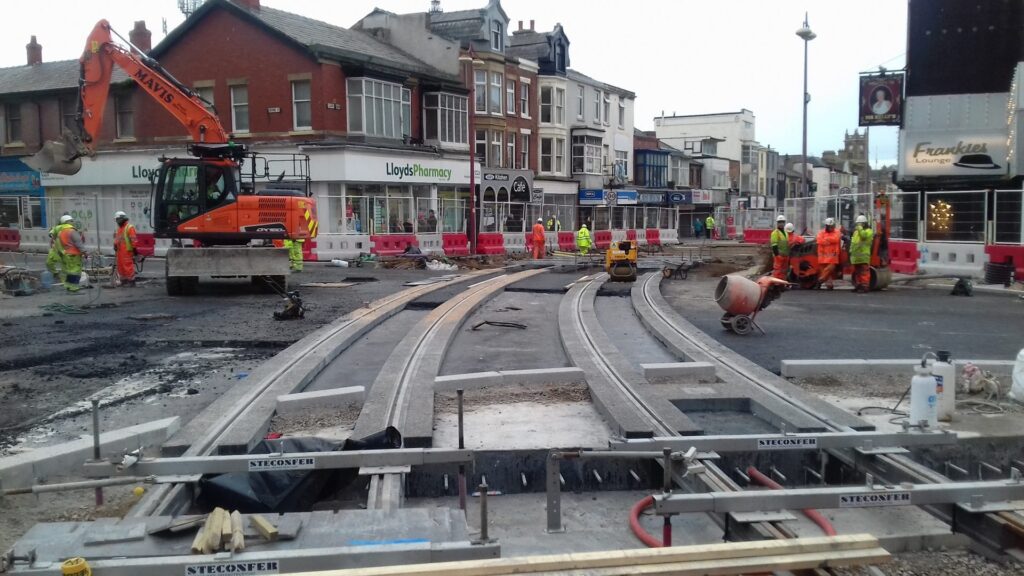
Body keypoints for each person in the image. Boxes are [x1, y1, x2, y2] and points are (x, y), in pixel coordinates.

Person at [57, 217, 87, 293]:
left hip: (66, 254)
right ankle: (74, 288)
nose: (73, 222)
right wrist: (84, 252)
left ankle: (68, 286)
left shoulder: (61, 232)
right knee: (76, 272)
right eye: (71, 221)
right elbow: (78, 243)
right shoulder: (72, 231)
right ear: (67, 222)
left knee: (69, 271)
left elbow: (58, 244)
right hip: (74, 255)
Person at [849, 214, 874, 293]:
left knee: (864, 272)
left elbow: (863, 236)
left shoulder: (869, 231)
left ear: (864, 223)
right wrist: (850, 251)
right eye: (858, 224)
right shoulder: (856, 232)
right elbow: (853, 242)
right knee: (857, 272)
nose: (858, 225)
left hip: (863, 256)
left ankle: (865, 286)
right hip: (855, 257)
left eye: (860, 224)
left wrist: (859, 228)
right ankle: (858, 285)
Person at [113, 211, 138, 286]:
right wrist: (115, 245)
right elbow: (118, 238)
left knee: (127, 266)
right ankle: (123, 280)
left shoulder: (129, 227)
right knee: (120, 266)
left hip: (127, 251)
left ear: (121, 219)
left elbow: (133, 239)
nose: (117, 222)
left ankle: (131, 281)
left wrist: (134, 249)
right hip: (120, 251)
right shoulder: (120, 228)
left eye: (117, 220)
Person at [816, 217, 842, 290]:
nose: (831, 228)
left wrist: (826, 240)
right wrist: (829, 240)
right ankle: (829, 285)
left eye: (832, 226)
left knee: (828, 270)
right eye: (829, 226)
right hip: (822, 256)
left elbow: (836, 239)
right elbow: (819, 240)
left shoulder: (837, 232)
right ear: (826, 226)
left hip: (833, 256)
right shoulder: (821, 232)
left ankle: (820, 280)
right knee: (826, 272)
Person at [46, 214, 73, 283]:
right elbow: (51, 233)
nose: (71, 222)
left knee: (66, 266)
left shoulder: (70, 229)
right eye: (69, 221)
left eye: (71, 221)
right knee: (49, 263)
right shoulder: (58, 228)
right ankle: (55, 273)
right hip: (55, 250)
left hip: (64, 250)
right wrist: (52, 235)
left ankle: (65, 281)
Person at [769, 215, 789, 280]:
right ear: (777, 223)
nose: (781, 224)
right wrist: (777, 255)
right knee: (778, 270)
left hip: (785, 255)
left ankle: (782, 283)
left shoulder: (786, 233)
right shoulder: (775, 233)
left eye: (782, 222)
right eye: (780, 222)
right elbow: (774, 245)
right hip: (779, 255)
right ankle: (776, 284)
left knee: (784, 270)